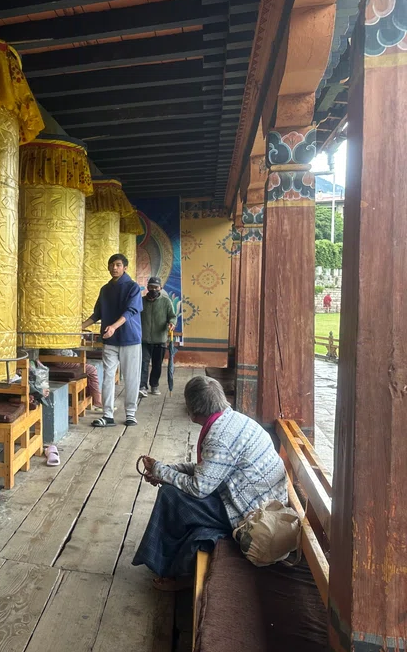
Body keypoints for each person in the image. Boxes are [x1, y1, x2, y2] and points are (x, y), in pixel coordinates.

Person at [132, 376, 288, 590]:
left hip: (252, 515)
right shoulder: (232, 420)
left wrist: (162, 473)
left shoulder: (219, 438)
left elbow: (199, 487)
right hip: (259, 500)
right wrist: (167, 470)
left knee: (171, 495)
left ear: (193, 408)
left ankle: (171, 568)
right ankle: (171, 563)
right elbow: (209, 470)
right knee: (173, 488)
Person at [82, 253, 144, 427]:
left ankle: (130, 413)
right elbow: (97, 314)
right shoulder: (105, 289)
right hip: (110, 340)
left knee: (131, 377)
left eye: (118, 265)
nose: (114, 268)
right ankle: (107, 415)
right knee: (108, 377)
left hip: (130, 338)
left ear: (125, 267)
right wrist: (80, 325)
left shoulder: (133, 287)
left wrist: (114, 326)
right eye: (111, 265)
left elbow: (131, 311)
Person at [139, 277, 176, 397]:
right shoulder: (141, 301)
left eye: (156, 287)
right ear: (147, 287)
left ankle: (154, 385)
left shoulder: (166, 302)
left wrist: (172, 323)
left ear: (160, 288)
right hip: (144, 339)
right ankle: (142, 386)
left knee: (157, 364)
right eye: (151, 287)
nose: (153, 289)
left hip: (160, 339)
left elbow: (172, 316)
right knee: (143, 364)